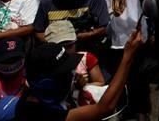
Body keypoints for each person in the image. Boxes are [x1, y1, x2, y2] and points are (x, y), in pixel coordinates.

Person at [13, 30, 142, 121]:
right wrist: (127, 57)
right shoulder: (40, 113)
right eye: (65, 73)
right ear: (48, 84)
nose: (72, 75)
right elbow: (104, 108)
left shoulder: (33, 96)